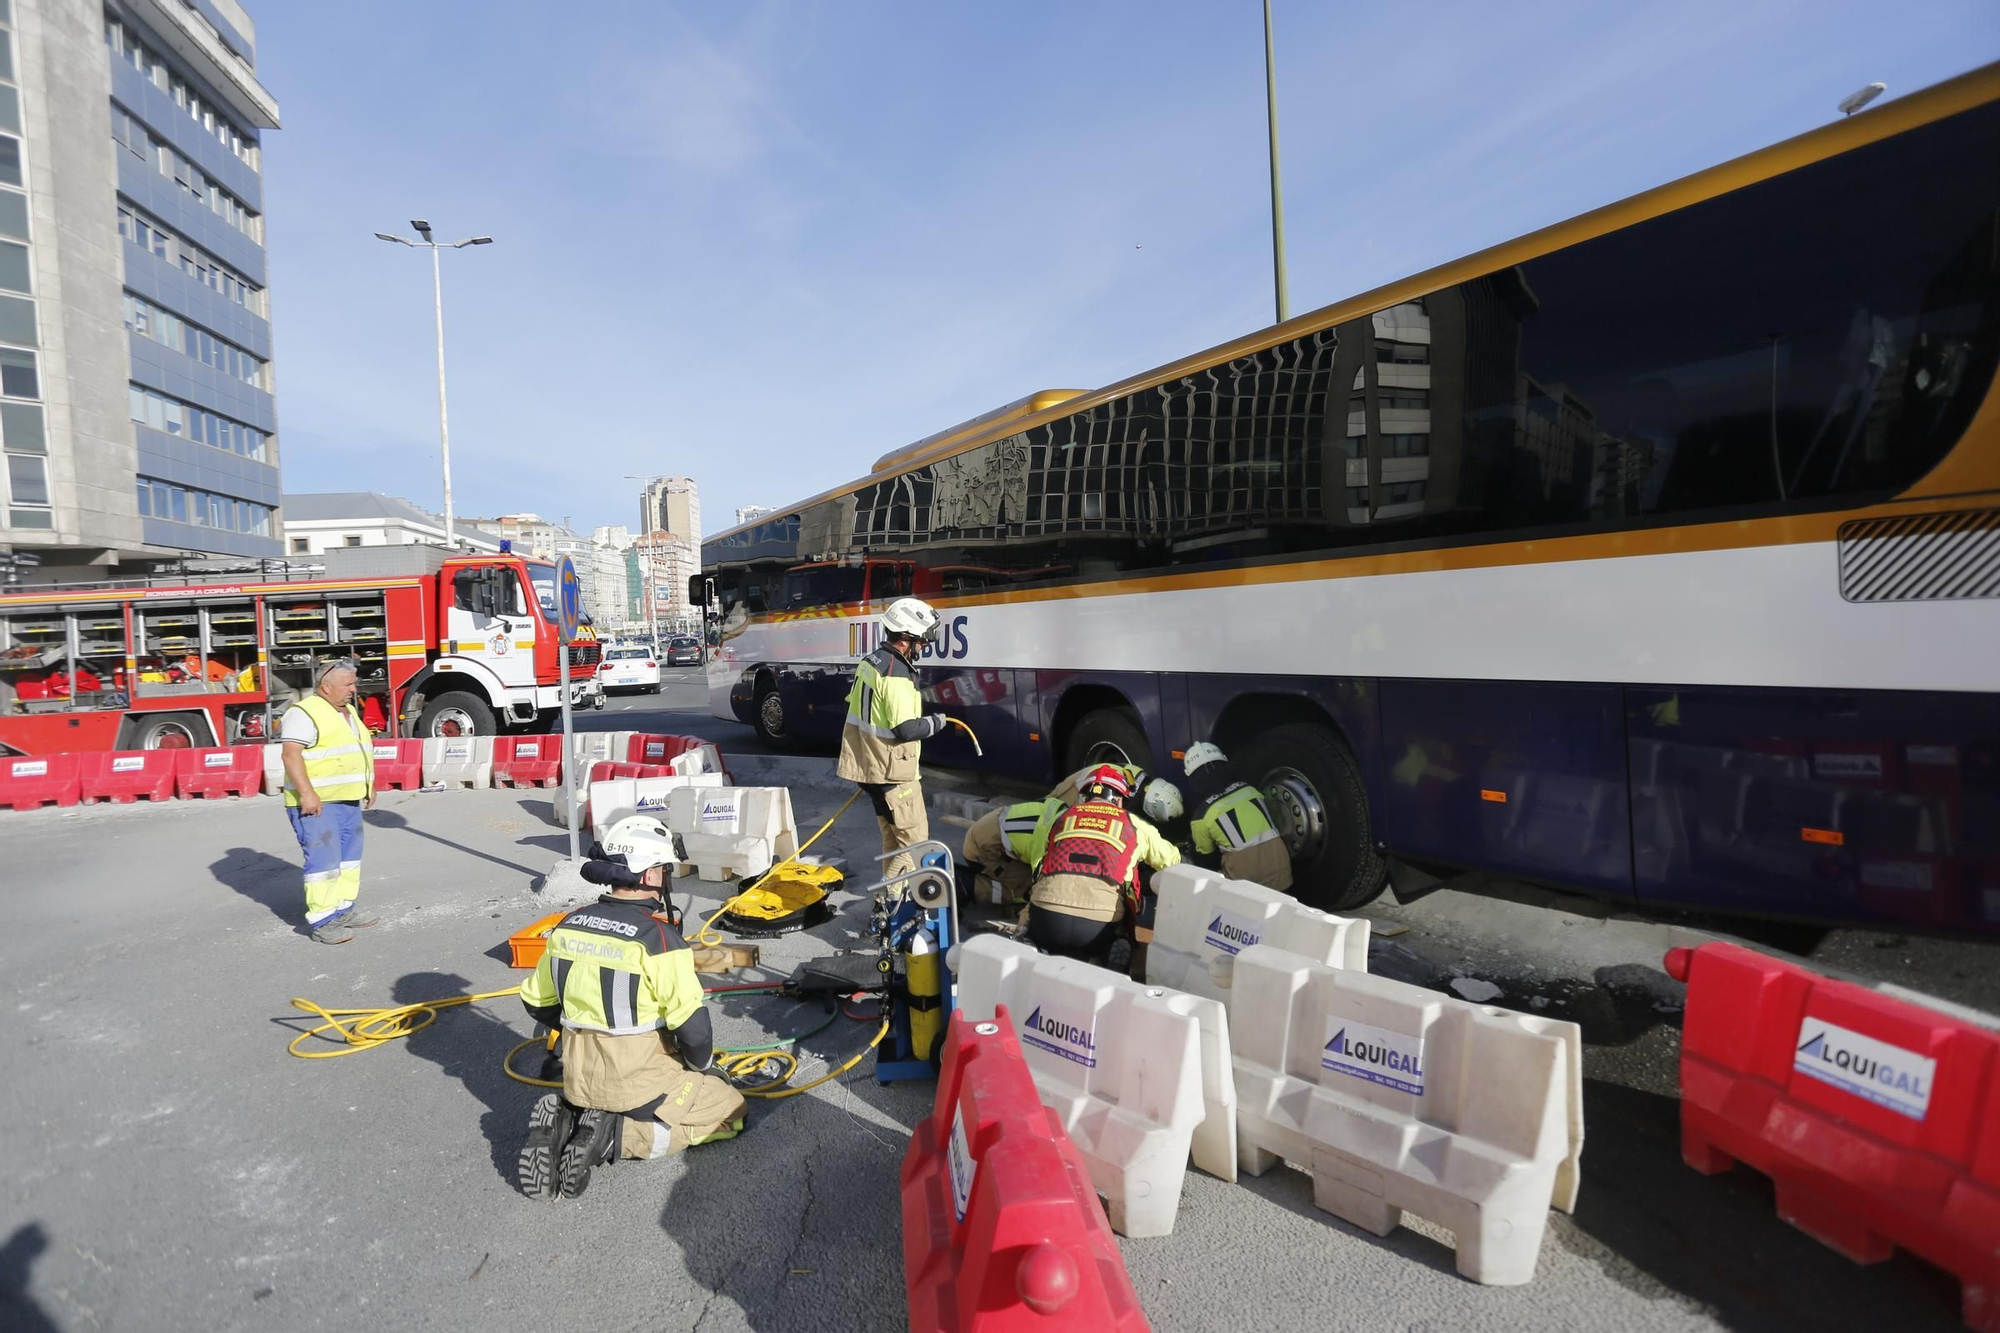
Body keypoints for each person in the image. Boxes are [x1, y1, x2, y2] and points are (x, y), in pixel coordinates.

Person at [518, 817, 747, 1200]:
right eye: (663, 868)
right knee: (730, 1111)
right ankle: (617, 1138)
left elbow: (536, 1002)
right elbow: (693, 1029)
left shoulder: (567, 926)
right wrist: (705, 1070)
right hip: (638, 1082)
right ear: (651, 875)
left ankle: (572, 1116)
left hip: (577, 1073)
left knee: (605, 1078)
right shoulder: (659, 939)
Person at [836, 598, 951, 882]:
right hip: (893, 771)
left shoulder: (872, 661)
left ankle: (886, 906)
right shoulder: (896, 672)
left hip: (870, 768)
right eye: (921, 642)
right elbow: (906, 729)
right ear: (905, 638)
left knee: (891, 840)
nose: (923, 648)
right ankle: (896, 908)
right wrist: (936, 722)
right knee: (913, 843)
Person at [1026, 765, 1180, 962]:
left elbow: (1039, 862)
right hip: (1098, 925)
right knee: (1129, 881)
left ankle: (1033, 941)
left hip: (1046, 917)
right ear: (1118, 799)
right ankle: (1111, 949)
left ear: (1085, 796)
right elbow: (1172, 861)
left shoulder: (1061, 817)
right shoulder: (1134, 824)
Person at [278, 660, 377, 945]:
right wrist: (307, 793)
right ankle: (322, 920)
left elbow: (358, 750)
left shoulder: (348, 712)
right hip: (318, 803)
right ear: (326, 686)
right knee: (323, 861)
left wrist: (371, 785)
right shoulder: (304, 712)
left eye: (353, 683)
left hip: (347, 798)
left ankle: (343, 909)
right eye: (348, 684)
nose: (353, 689)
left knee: (348, 859)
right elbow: (291, 755)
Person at [1182, 743, 1294, 892]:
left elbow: (1206, 862)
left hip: (1248, 884)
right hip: (1283, 872)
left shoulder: (1201, 816)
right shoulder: (1250, 790)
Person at [958, 796, 1066, 906]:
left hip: (989, 826)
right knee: (1028, 889)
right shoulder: (1043, 844)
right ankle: (965, 884)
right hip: (981, 849)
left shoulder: (1062, 808)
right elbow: (1042, 887)